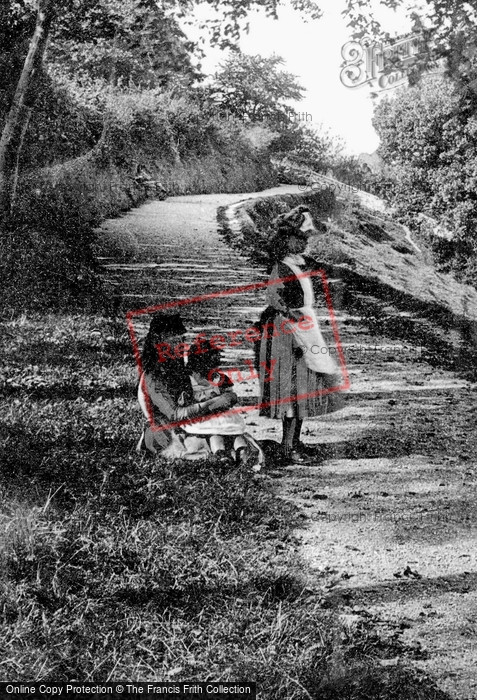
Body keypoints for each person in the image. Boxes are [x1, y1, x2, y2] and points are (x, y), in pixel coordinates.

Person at [258, 204, 345, 465]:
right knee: (293, 388)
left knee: (305, 387)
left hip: (304, 327)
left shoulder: (298, 265)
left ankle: (294, 441)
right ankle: (288, 446)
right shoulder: (281, 267)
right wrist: (288, 312)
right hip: (287, 332)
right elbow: (274, 296)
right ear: (285, 241)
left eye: (304, 239)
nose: (303, 244)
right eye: (299, 239)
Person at [136, 313, 237, 460]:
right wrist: (218, 402)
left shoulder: (178, 368)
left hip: (188, 424)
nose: (182, 346)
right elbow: (175, 414)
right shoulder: (153, 376)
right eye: (176, 341)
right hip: (165, 431)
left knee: (229, 435)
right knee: (212, 445)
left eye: (183, 340)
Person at [183, 339, 263, 469]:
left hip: (222, 414)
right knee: (215, 434)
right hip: (204, 415)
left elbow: (231, 395)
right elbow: (188, 400)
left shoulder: (219, 377)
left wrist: (227, 398)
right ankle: (220, 454)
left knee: (234, 433)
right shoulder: (189, 379)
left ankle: (242, 452)